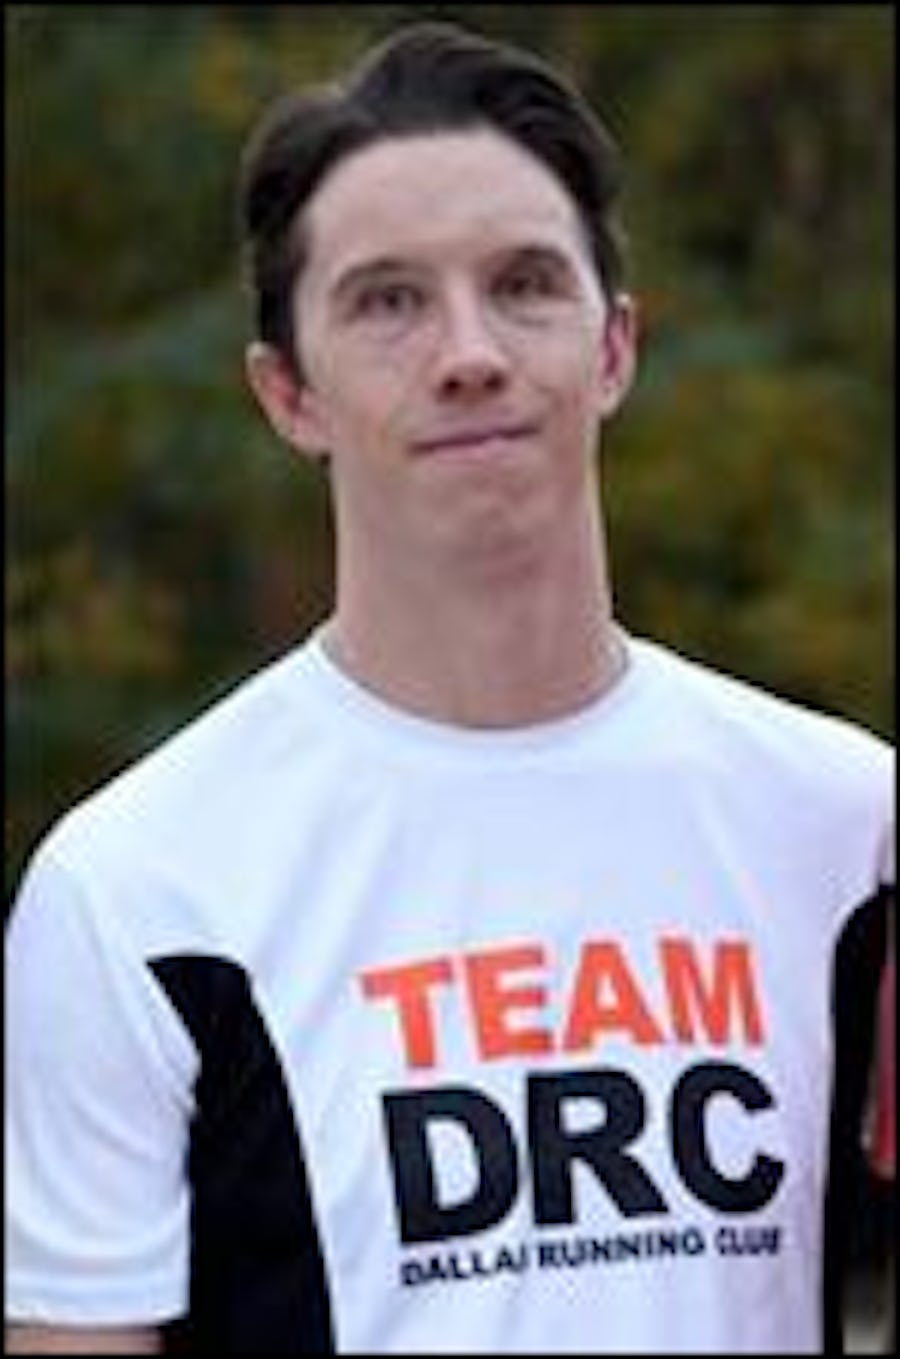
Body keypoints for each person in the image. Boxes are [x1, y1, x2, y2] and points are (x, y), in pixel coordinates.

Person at [5, 19, 894, 1356]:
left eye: (525, 283)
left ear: (614, 348)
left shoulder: (847, 827)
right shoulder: (138, 891)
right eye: (388, 301)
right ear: (288, 395)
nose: (469, 352)